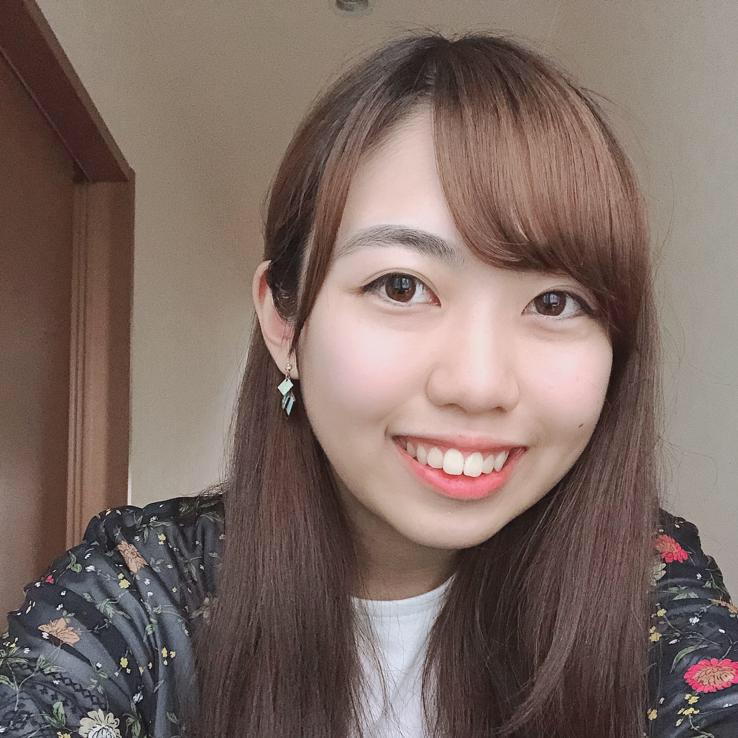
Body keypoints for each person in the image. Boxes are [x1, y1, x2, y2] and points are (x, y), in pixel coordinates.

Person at [1, 30, 737, 738]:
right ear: (285, 322)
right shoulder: (135, 593)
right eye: (401, 286)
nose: (478, 384)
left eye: (553, 302)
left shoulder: (651, 583)